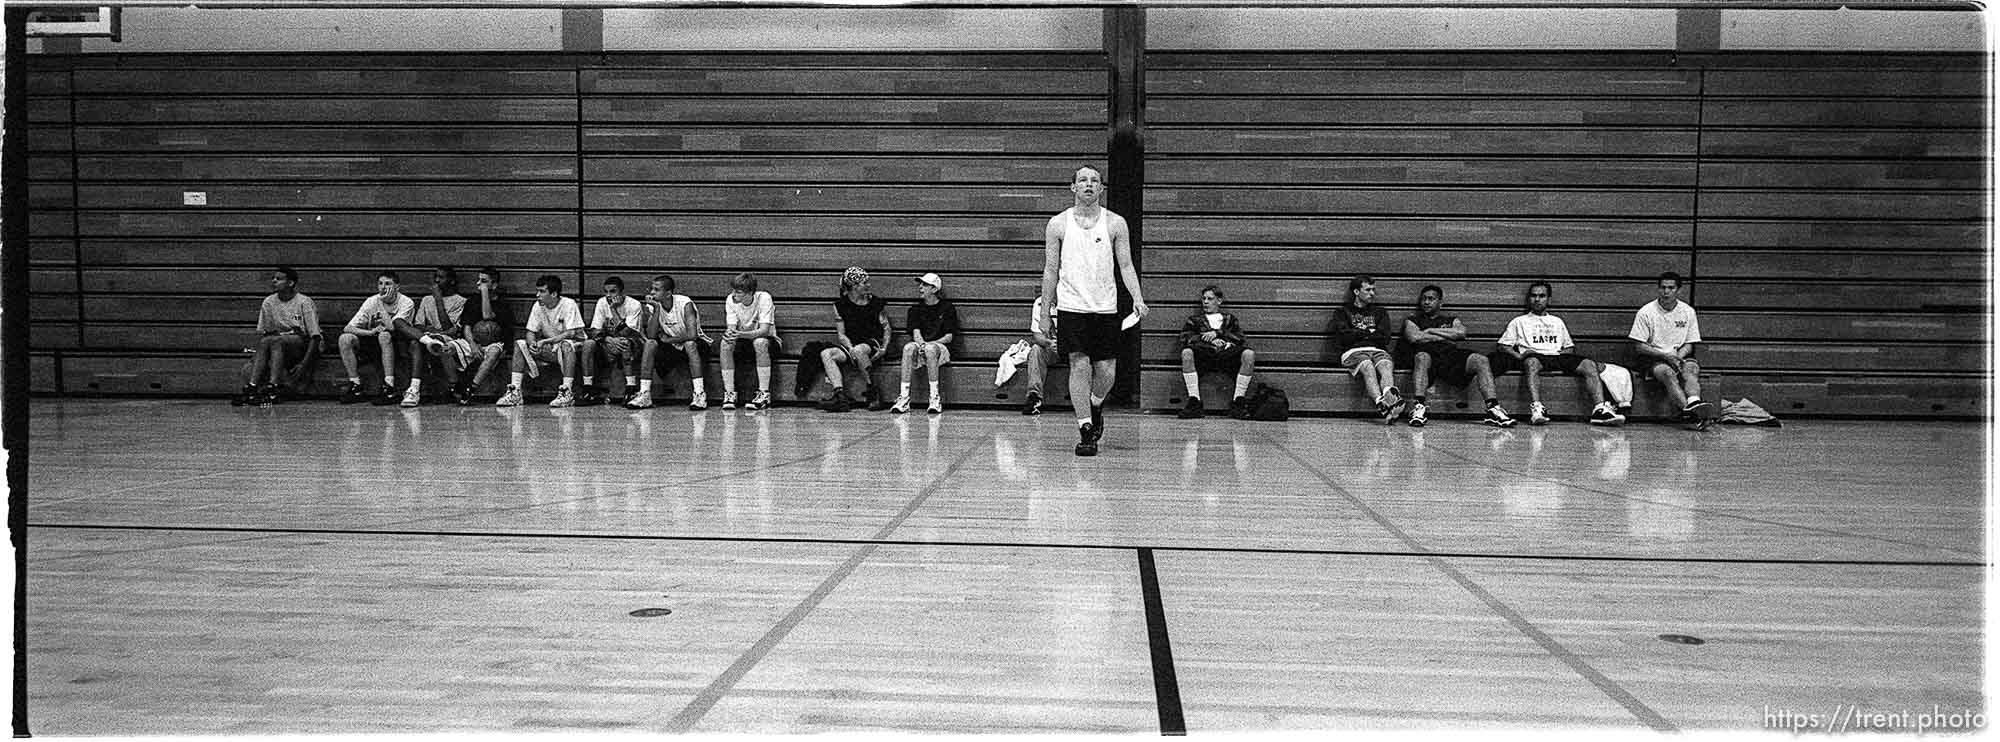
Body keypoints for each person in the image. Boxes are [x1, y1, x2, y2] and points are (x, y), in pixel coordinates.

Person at [1042, 165, 1147, 456]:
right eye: (1083, 180)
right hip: (1072, 305)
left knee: (1106, 370)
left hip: (1105, 306)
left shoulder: (1115, 223)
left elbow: (1125, 265)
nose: (1089, 184)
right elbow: (1051, 270)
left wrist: (1138, 298)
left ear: (1101, 189)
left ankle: (1096, 403)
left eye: (1095, 181)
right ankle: (1085, 428)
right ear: (1073, 187)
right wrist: (1044, 311)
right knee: (1079, 363)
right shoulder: (1057, 224)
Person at [1493, 281, 1624, 426]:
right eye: (1533, 296)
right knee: (1531, 362)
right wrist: (1520, 356)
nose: (1537, 299)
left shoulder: (1557, 321)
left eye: (1542, 296)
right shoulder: (1519, 321)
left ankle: (1600, 409)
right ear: (1529, 299)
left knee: (1588, 364)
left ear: (1549, 299)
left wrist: (1561, 356)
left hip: (1557, 356)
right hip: (1535, 357)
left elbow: (1569, 347)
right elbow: (1503, 345)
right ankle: (1537, 408)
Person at [1400, 284, 1515, 427]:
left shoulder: (1452, 319)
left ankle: (1493, 407)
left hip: (1450, 356)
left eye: (1431, 299)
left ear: (1440, 303)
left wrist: (1430, 330)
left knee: (1481, 360)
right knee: (1421, 357)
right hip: (1428, 356)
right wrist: (1445, 336)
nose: (1426, 302)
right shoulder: (1412, 320)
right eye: (1424, 299)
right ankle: (1419, 407)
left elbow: (1461, 333)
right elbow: (1415, 337)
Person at [232, 266, 321, 406]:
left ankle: (274, 386)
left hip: (299, 344)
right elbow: (264, 333)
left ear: (290, 283)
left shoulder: (304, 302)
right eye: (273, 278)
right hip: (276, 345)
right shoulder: (268, 302)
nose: (274, 281)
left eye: (278, 279)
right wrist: (256, 359)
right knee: (265, 345)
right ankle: (252, 387)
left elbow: (315, 337)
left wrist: (303, 365)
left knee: (275, 340)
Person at [1629, 271, 1712, 421]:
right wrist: (1665, 356)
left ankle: (1694, 401)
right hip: (1653, 357)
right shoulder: (1646, 312)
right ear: (1658, 289)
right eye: (1663, 287)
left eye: (1671, 288)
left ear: (1678, 290)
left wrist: (1677, 357)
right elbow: (1639, 346)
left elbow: (1690, 343)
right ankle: (1691, 413)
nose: (1666, 292)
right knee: (1667, 374)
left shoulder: (1688, 312)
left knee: (1692, 370)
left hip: (1679, 355)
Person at [496, 274, 584, 408]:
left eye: (542, 291)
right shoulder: (537, 306)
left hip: (574, 346)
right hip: (551, 347)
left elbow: (571, 333)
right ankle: (515, 392)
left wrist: (545, 341)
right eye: (537, 291)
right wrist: (532, 343)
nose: (537, 295)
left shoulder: (568, 304)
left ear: (554, 294)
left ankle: (567, 392)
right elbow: (531, 332)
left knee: (566, 345)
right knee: (520, 344)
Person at [627, 274, 711, 411]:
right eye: (652, 289)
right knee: (649, 344)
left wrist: (669, 340)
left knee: (690, 345)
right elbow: (651, 335)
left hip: (696, 344)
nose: (652, 292)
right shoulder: (654, 306)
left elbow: (692, 335)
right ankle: (645, 394)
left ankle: (699, 394)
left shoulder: (685, 304)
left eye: (656, 289)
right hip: (672, 346)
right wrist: (656, 310)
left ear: (668, 293)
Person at [390, 266, 468, 408]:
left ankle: (415, 388)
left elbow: (448, 328)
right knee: (404, 329)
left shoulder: (460, 301)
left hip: (446, 339)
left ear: (451, 281)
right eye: (435, 277)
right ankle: (414, 388)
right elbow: (419, 325)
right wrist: (429, 332)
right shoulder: (426, 300)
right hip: (426, 337)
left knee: (420, 342)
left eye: (441, 277)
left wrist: (438, 299)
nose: (437, 280)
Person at [1175, 285, 1257, 419]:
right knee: (1186, 353)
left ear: (1219, 301)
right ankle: (1194, 402)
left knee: (1249, 354)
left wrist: (1218, 334)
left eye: (1210, 299)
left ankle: (1238, 402)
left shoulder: (1230, 319)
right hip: (1205, 355)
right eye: (1204, 299)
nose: (1205, 302)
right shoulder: (1194, 320)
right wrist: (1208, 340)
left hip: (1227, 356)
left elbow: (1240, 338)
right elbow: (1185, 338)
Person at [1330, 275, 1404, 422]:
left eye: (1373, 290)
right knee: (1367, 365)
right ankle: (1380, 402)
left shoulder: (1380, 312)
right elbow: (1344, 337)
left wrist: (1357, 333)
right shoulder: (1342, 312)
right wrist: (1370, 333)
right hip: (1353, 351)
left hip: (1377, 350)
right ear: (1356, 292)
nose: (1372, 294)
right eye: (1368, 290)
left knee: (1386, 365)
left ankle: (1388, 395)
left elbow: (1384, 337)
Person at [819, 266, 892, 413]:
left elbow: (887, 328)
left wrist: (884, 348)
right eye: (864, 283)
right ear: (853, 287)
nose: (868, 285)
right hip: (851, 343)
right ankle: (839, 396)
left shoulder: (876, 303)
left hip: (872, 342)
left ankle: (873, 391)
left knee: (859, 350)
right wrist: (850, 347)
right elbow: (841, 335)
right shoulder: (840, 305)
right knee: (827, 353)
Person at [337, 270, 415, 405]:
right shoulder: (371, 301)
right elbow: (348, 328)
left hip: (398, 342)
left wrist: (380, 304)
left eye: (388, 284)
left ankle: (389, 387)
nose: (383, 287)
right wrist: (371, 332)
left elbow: (391, 327)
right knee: (345, 338)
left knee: (385, 335)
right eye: (380, 284)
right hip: (373, 340)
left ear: (397, 287)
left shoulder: (406, 302)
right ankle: (356, 385)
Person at [893, 272, 961, 414]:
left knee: (930, 349)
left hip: (941, 348)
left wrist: (929, 345)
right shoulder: (915, 309)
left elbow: (949, 337)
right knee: (908, 348)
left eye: (925, 285)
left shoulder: (947, 308)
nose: (920, 287)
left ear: (934, 289)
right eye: (920, 284)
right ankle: (904, 398)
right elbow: (916, 334)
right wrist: (922, 345)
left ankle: (934, 398)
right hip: (922, 345)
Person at [577, 276, 645, 407]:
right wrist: (609, 340)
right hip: (608, 343)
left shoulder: (634, 304)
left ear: (621, 292)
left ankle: (631, 389)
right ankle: (588, 390)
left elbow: (627, 332)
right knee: (588, 344)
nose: (608, 295)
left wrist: (613, 309)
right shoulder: (602, 302)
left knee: (625, 342)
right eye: (606, 291)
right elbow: (594, 330)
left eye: (613, 291)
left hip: (633, 343)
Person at [451, 266, 514, 405]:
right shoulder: (472, 301)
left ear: (494, 285)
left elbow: (487, 316)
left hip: (494, 343)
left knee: (494, 352)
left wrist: (485, 293)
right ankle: (454, 385)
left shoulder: (503, 304)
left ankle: (470, 389)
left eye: (484, 281)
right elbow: (466, 326)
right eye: (478, 280)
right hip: (472, 340)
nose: (478, 284)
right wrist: (473, 345)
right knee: (447, 348)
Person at [719, 272, 781, 411]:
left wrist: (740, 334)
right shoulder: (730, 300)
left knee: (759, 342)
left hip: (769, 341)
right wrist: (730, 334)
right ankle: (729, 394)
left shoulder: (764, 298)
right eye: (733, 290)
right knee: (725, 343)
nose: (734, 294)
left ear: (750, 293)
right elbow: (731, 327)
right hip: (743, 341)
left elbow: (764, 330)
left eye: (738, 292)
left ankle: (764, 394)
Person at [1018, 291, 1057, 415]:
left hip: (1072, 347)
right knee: (1035, 349)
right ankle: (1034, 397)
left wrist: (1065, 345)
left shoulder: (1074, 300)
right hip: (1052, 347)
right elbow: (1037, 336)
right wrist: (1049, 343)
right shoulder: (1039, 303)